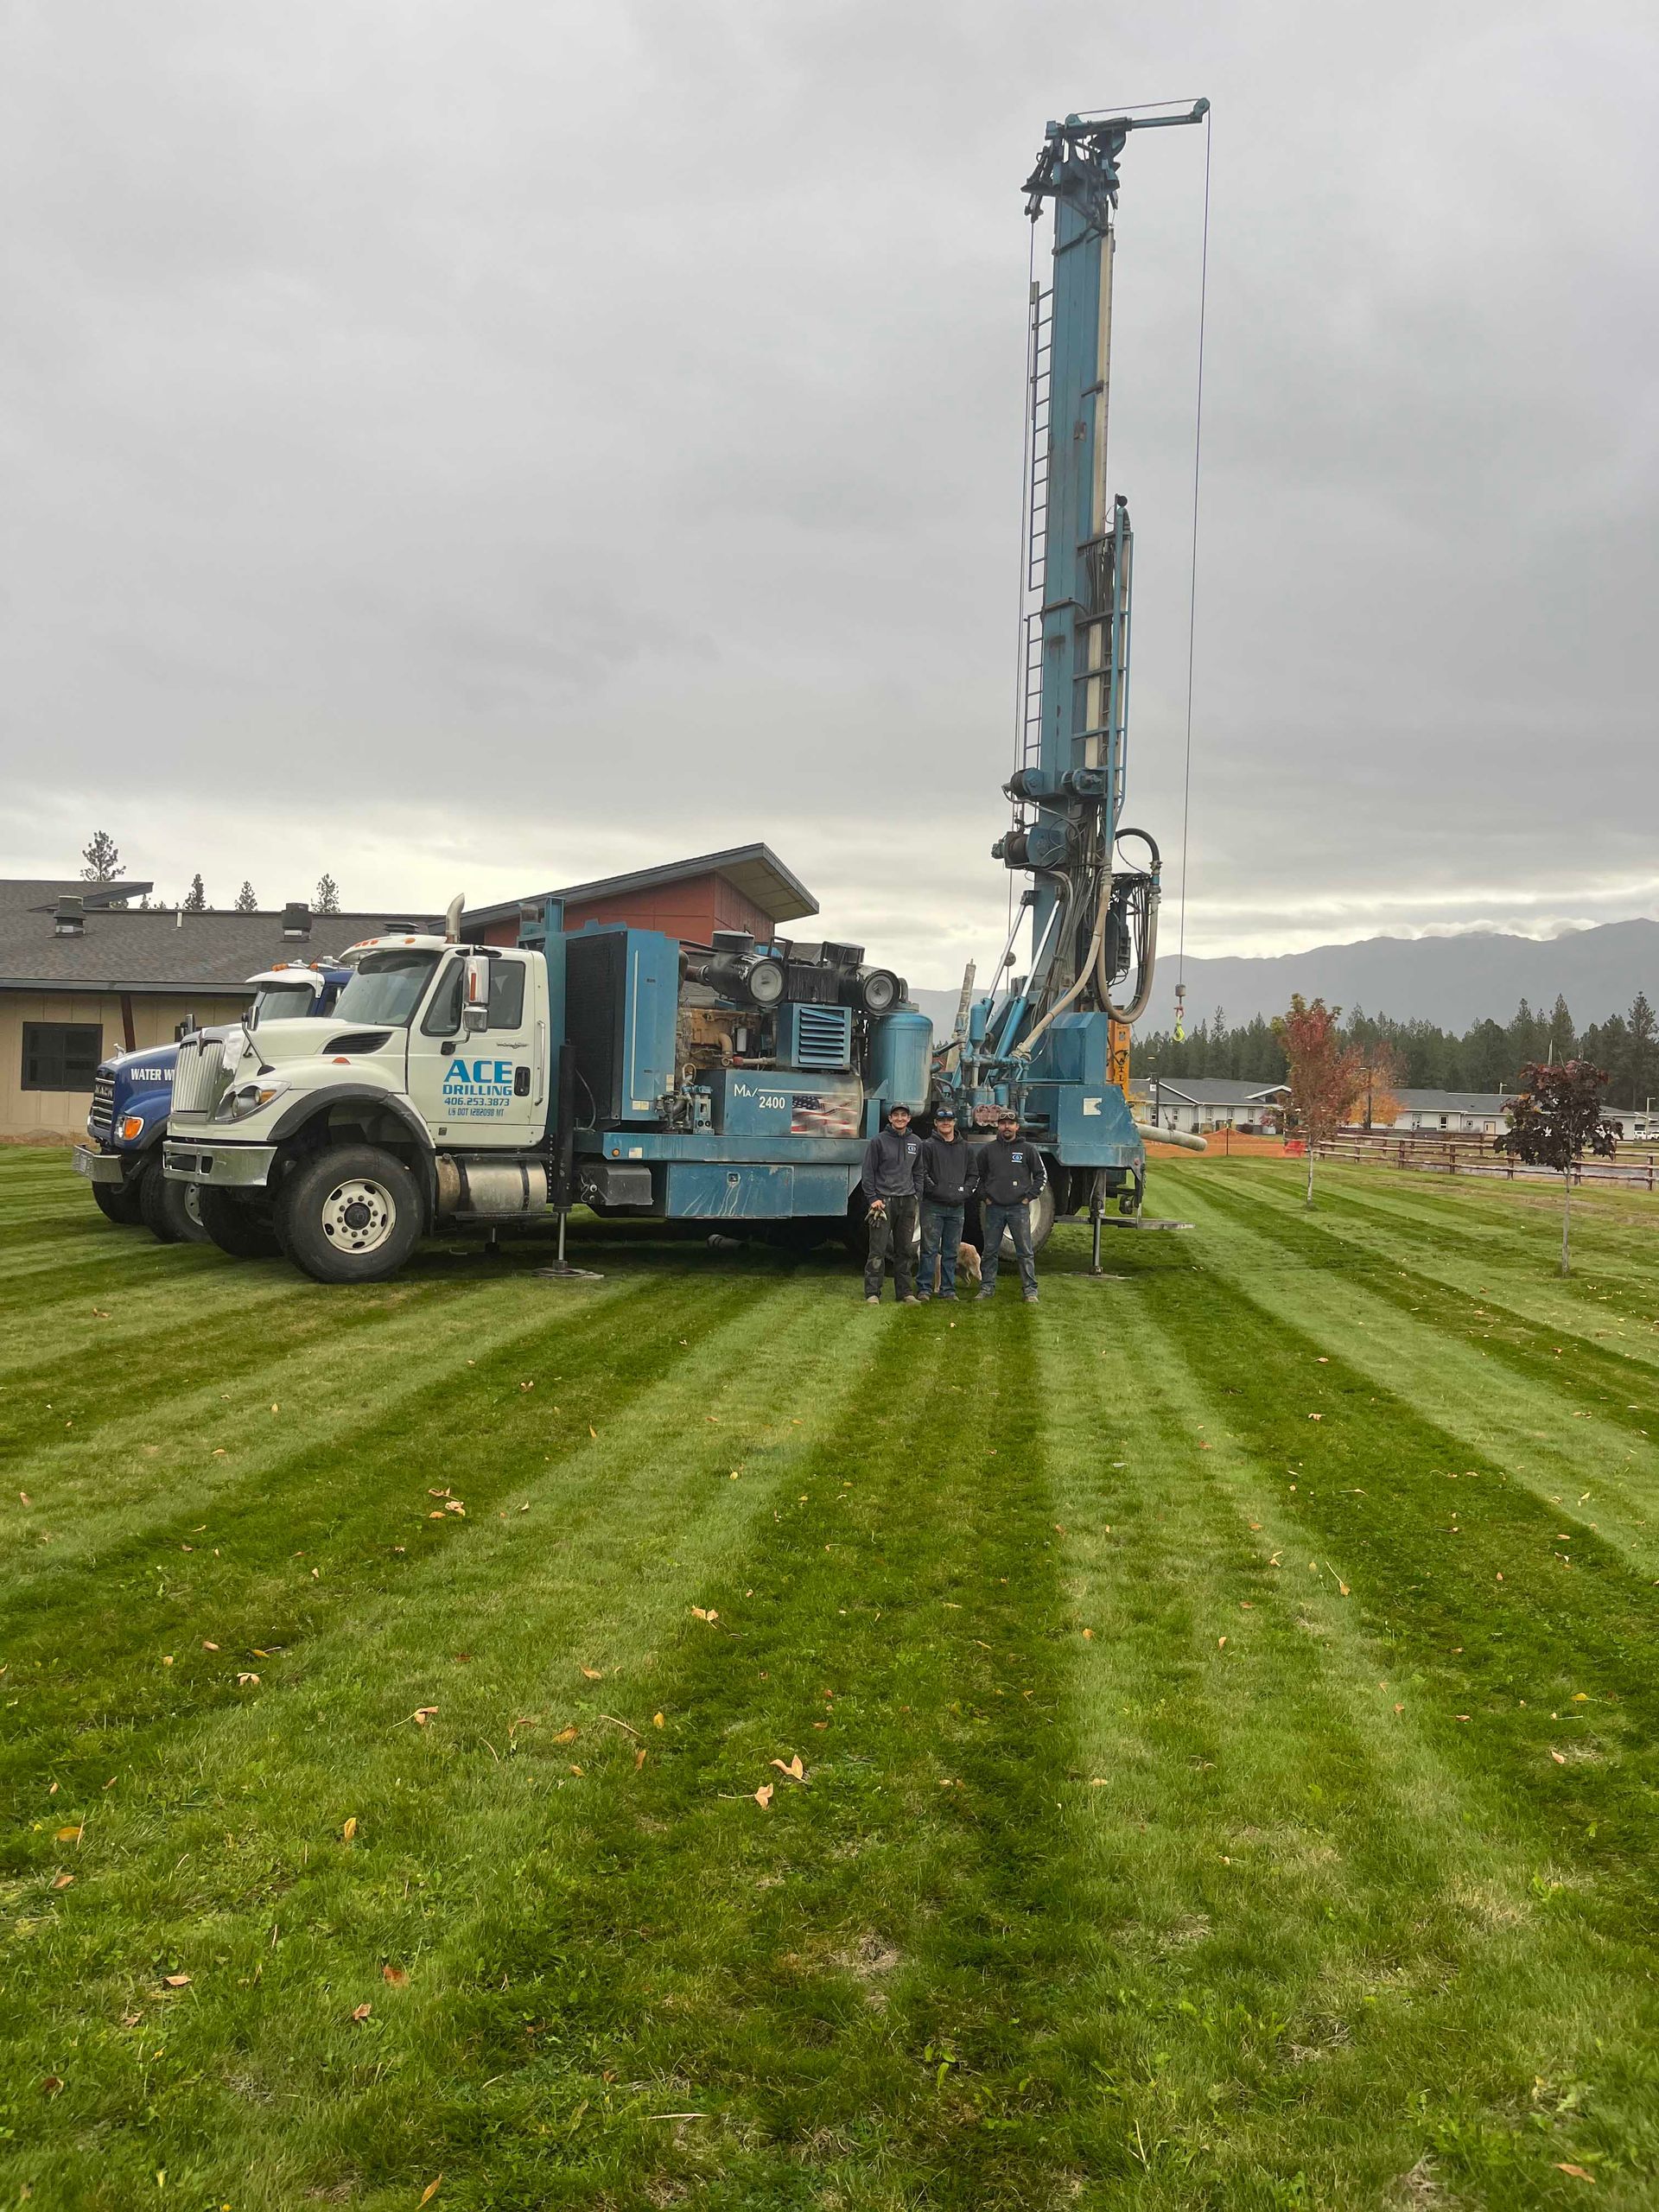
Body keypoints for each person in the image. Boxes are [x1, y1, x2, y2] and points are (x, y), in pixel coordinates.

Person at [972, 1108, 1045, 1303]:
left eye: (1010, 1123)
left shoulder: (1028, 1150)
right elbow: (976, 1177)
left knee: (1025, 1251)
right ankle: (986, 1287)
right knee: (990, 1251)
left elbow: (1041, 1177)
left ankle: (1030, 1290)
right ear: (998, 1126)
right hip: (994, 1208)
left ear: (1017, 1126)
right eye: (1003, 1123)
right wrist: (984, 1197)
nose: (1006, 1127)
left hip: (1018, 1209)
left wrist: (1028, 1197)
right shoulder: (988, 1151)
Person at [861, 1101, 923, 1305]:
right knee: (877, 1249)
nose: (900, 1119)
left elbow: (919, 1171)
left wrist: (917, 1195)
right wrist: (873, 1199)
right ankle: (872, 1293)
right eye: (896, 1115)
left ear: (909, 1119)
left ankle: (905, 1292)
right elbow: (868, 1172)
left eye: (903, 1115)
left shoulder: (916, 1142)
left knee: (905, 1250)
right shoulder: (878, 1141)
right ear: (890, 1118)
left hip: (907, 1202)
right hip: (883, 1204)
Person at [917, 1104, 971, 1300]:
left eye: (949, 1120)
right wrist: (936, 1190)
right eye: (941, 1120)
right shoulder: (927, 1146)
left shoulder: (965, 1147)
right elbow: (921, 1173)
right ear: (936, 1123)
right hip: (933, 1206)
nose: (945, 1123)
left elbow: (973, 1175)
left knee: (951, 1251)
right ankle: (924, 1289)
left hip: (957, 1208)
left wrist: (964, 1192)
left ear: (954, 1122)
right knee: (929, 1249)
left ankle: (948, 1290)